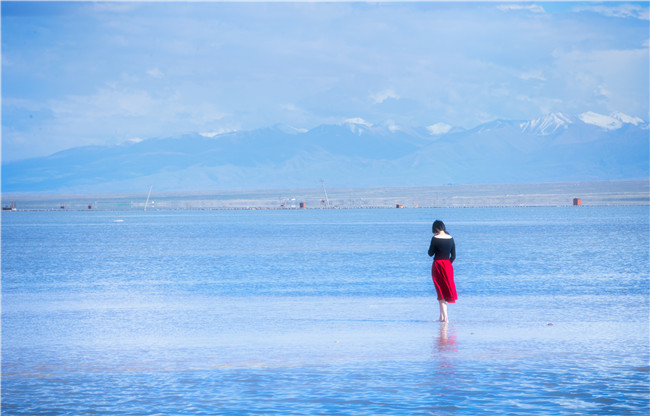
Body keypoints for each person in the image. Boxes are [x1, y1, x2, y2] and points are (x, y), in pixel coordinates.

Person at [427, 220, 457, 322]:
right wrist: (448, 264)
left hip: (438, 265)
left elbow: (430, 253)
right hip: (448, 266)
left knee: (440, 292)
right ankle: (441, 317)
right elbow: (453, 256)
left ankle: (445, 318)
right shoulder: (451, 238)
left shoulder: (435, 238)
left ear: (435, 229)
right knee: (446, 290)